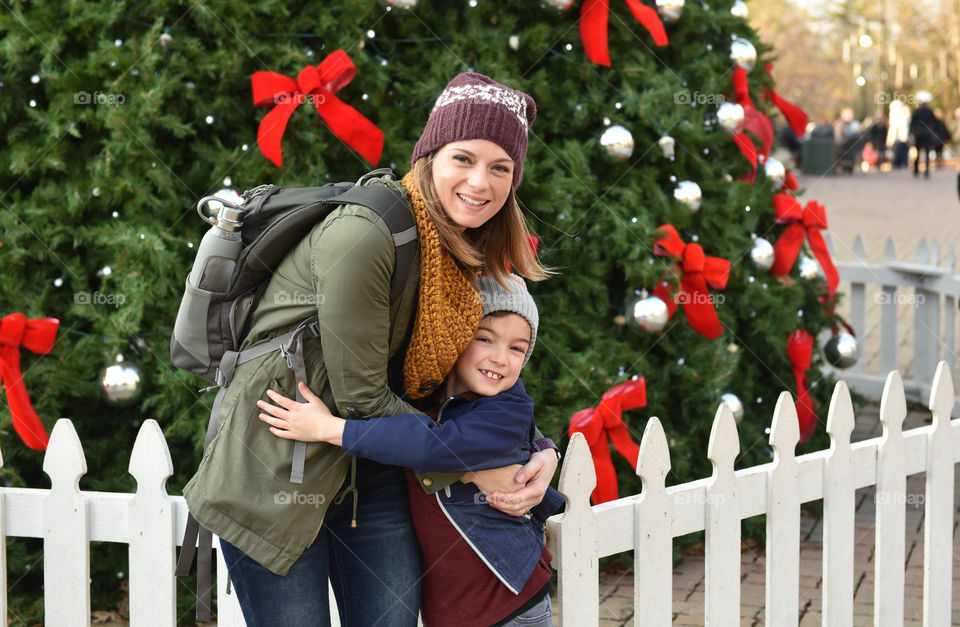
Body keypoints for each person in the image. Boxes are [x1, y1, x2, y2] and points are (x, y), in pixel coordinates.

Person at [182, 72, 560, 626]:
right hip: (281, 464)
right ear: (428, 155)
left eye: (500, 167)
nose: (480, 183)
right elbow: (360, 398)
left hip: (373, 472)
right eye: (463, 158)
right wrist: (480, 467)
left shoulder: (462, 248)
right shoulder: (367, 233)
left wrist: (537, 448)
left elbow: (472, 379)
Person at [258, 274, 564, 626]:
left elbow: (433, 447)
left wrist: (330, 429)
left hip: (509, 604)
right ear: (456, 337)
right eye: (485, 338)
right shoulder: (429, 392)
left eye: (517, 348)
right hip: (455, 609)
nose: (500, 359)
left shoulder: (506, 408)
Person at [909, 91, 937, 178]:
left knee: (917, 151)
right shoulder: (930, 111)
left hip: (919, 134)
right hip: (927, 133)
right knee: (927, 152)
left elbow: (912, 123)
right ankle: (926, 171)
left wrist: (911, 134)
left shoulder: (917, 111)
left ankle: (916, 170)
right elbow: (934, 123)